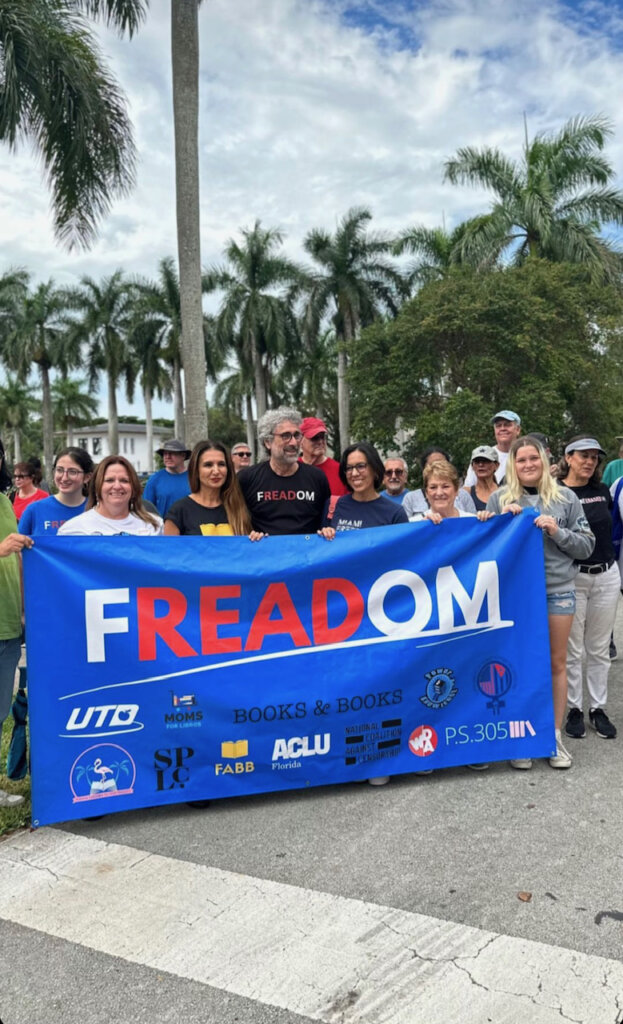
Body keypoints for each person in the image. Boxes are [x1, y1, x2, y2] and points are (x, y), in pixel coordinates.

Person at [487, 436, 595, 770]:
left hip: (557, 589)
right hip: (514, 594)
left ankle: (553, 736)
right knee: (517, 662)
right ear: (512, 464)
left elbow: (587, 546)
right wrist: (501, 523)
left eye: (534, 458)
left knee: (556, 663)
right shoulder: (498, 497)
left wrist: (557, 532)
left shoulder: (565, 498)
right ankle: (522, 736)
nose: (528, 465)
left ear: (545, 461)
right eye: (521, 460)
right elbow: (483, 547)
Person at [325, 441, 408, 785]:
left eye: (361, 466)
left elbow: (409, 561)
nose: (354, 473)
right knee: (348, 684)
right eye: (349, 468)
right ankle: (351, 756)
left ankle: (381, 757)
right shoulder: (337, 506)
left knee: (381, 684)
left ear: (375, 470)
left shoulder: (392, 512)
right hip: (342, 613)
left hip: (380, 613)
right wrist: (325, 535)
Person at [560, 437, 619, 740]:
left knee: (598, 649)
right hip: (574, 577)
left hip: (607, 574)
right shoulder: (558, 492)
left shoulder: (602, 490)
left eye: (595, 457)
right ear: (568, 458)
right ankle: (574, 709)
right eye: (583, 456)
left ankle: (597, 708)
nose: (590, 462)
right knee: (573, 650)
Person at [238, 407, 330, 536]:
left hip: (307, 554)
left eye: (297, 435)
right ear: (268, 442)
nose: (293, 442)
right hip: (265, 554)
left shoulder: (317, 477)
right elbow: (236, 522)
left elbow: (325, 522)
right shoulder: (246, 478)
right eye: (285, 436)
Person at [0, 466, 33, 807]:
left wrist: (24, 610)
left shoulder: (3, 502)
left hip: (9, 624)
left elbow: (17, 563)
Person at [58, 456, 162, 535]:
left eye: (124, 480)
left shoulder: (154, 526)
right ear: (96, 487)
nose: (117, 486)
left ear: (133, 487)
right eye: (109, 480)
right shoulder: (72, 530)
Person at [164, 440, 251, 536]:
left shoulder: (238, 507)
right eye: (208, 465)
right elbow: (169, 549)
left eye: (221, 464)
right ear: (196, 470)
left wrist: (256, 539)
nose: (216, 471)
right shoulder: (179, 511)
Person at [19, 448, 94, 537]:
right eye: (59, 470)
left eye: (72, 472)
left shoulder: (97, 510)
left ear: (87, 477)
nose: (64, 477)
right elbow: (17, 547)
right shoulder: (34, 510)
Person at [403, 447, 476, 518]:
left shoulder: (472, 520)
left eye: (445, 486)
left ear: (456, 490)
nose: (439, 493)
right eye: (433, 487)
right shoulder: (414, 524)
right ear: (426, 493)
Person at [464, 410, 522, 487]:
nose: (502, 428)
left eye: (507, 425)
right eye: (498, 426)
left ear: (517, 430)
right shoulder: (482, 455)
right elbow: (468, 487)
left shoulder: (525, 455)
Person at [299, 417, 347, 496]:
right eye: (315, 438)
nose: (320, 442)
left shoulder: (339, 470)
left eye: (323, 437)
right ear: (300, 441)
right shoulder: (292, 469)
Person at [142, 439, 191, 518]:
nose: (168, 457)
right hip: (164, 528)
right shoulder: (155, 479)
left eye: (172, 453)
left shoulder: (195, 478)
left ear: (183, 455)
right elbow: (146, 510)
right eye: (165, 454)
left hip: (192, 528)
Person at [462, 446, 499, 511]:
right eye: (477, 461)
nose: (481, 464)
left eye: (486, 461)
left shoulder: (507, 492)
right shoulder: (465, 493)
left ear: (496, 465)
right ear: (472, 466)